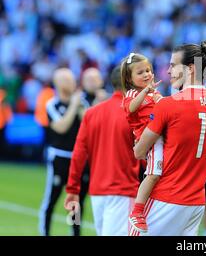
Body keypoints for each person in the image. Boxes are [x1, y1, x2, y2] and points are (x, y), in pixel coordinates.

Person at [133, 41, 206, 236]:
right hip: (196, 201)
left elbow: (139, 152)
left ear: (190, 69)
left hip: (167, 198)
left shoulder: (169, 104)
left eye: (173, 65)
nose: (168, 71)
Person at [64, 66, 141, 236]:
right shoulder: (135, 113)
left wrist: (72, 189)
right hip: (123, 190)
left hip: (98, 191)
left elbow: (78, 154)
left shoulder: (91, 113)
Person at [38, 68, 89, 236]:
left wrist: (79, 106)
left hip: (79, 159)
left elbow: (88, 126)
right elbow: (61, 127)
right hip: (59, 157)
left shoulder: (81, 102)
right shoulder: (52, 104)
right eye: (66, 79)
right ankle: (45, 232)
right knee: (52, 199)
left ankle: (75, 233)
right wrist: (74, 105)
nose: (71, 82)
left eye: (72, 79)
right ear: (58, 83)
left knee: (77, 201)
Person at [119, 52, 163, 233]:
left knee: (159, 174)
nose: (146, 74)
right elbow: (131, 108)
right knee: (153, 174)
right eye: (140, 72)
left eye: (148, 70)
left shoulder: (155, 94)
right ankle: (137, 211)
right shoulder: (131, 93)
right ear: (129, 79)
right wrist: (146, 91)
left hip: (159, 136)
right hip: (148, 139)